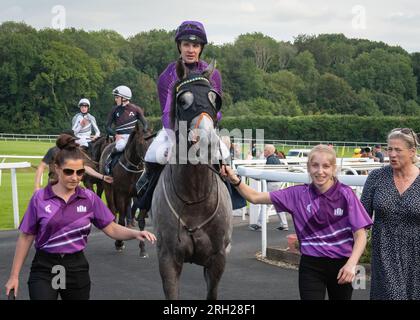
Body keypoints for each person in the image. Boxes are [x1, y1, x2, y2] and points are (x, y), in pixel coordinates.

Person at [5, 134, 156, 300]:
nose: (75, 177)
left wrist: (135, 234)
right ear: (56, 168)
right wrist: (14, 276)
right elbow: (26, 237)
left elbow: (111, 228)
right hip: (44, 267)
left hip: (75, 267)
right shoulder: (39, 198)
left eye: (80, 172)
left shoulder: (89, 198)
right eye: (69, 172)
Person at [222, 144, 372, 300]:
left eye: (326, 166)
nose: (320, 171)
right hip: (311, 266)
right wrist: (234, 180)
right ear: (308, 167)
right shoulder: (297, 194)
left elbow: (360, 236)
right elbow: (255, 197)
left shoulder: (346, 194)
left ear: (333, 168)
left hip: (342, 265)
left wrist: (352, 264)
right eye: (315, 165)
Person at [135, 20, 228, 212]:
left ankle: (229, 200)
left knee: (224, 154)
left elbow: (216, 109)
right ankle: (145, 196)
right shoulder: (167, 76)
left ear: (201, 48)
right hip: (175, 129)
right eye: (186, 44)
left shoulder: (214, 74)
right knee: (155, 154)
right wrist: (175, 138)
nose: (191, 49)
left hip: (205, 126)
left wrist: (206, 125)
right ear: (179, 46)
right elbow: (166, 112)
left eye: (195, 45)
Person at [360, 128, 420, 300]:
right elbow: (361, 219)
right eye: (389, 149)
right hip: (385, 254)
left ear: (412, 152)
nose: (392, 154)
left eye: (398, 150)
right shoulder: (376, 177)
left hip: (415, 257)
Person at [34, 130, 113, 191]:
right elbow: (41, 167)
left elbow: (85, 167)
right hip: (54, 187)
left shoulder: (76, 151)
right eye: (72, 140)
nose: (75, 142)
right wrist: (37, 187)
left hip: (70, 187)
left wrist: (102, 177)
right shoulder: (53, 151)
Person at [104, 85, 148, 175]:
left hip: (134, 137)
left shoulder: (136, 109)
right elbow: (107, 126)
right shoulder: (114, 110)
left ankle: (147, 170)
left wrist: (143, 132)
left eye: (117, 97)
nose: (115, 99)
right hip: (121, 137)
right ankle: (108, 163)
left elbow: (145, 124)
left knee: (144, 148)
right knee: (120, 146)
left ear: (124, 98)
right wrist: (115, 135)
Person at [248, 144, 289, 231]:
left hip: (272, 184)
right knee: (278, 203)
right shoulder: (276, 159)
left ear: (269, 151)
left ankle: (260, 224)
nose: (264, 152)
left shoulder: (270, 160)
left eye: (265, 150)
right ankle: (284, 224)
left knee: (265, 203)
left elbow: (266, 173)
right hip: (278, 183)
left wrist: (255, 176)